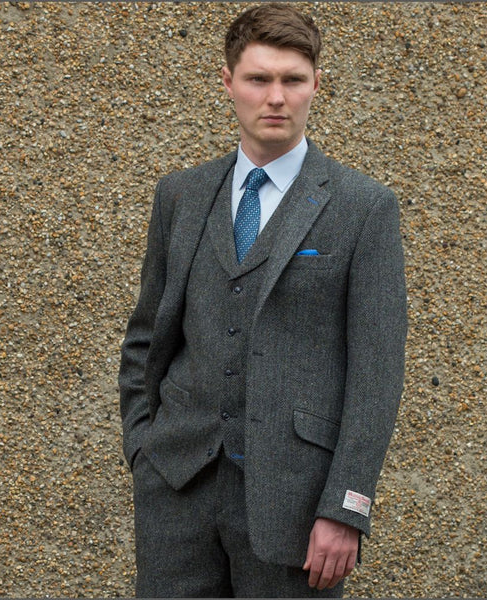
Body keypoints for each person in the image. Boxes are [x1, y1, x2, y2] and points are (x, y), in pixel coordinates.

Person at [119, 3, 407, 597]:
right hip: (176, 490)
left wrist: (347, 506)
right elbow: (147, 337)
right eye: (258, 79)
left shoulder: (363, 206)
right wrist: (143, 448)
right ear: (228, 82)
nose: (275, 97)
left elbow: (377, 373)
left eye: (292, 80)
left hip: (297, 505)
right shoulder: (180, 195)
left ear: (316, 85)